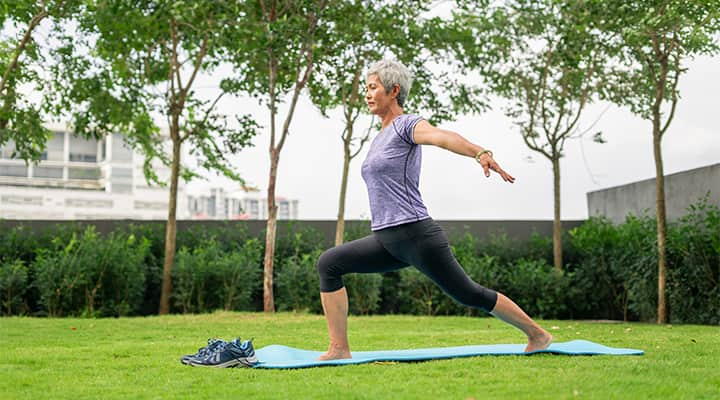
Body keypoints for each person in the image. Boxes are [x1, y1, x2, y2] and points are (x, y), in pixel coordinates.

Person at [316, 59, 553, 361]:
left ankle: (538, 334)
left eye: (373, 87)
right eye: (366, 88)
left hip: (414, 234)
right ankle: (339, 349)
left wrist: (479, 152)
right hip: (386, 239)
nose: (367, 94)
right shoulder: (378, 137)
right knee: (330, 264)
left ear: (394, 90)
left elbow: (442, 137)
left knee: (468, 294)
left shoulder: (406, 126)